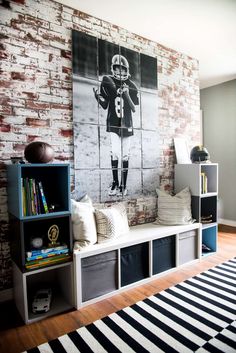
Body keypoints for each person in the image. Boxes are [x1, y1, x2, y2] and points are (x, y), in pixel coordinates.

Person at [93, 54, 139, 196]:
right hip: (113, 121)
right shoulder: (107, 80)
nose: (120, 72)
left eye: (123, 69)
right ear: (113, 69)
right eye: (117, 69)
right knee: (115, 152)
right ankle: (115, 183)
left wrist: (126, 93)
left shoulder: (132, 86)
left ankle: (123, 185)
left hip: (127, 123)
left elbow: (133, 108)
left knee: (125, 155)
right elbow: (106, 105)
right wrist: (98, 99)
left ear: (127, 70)